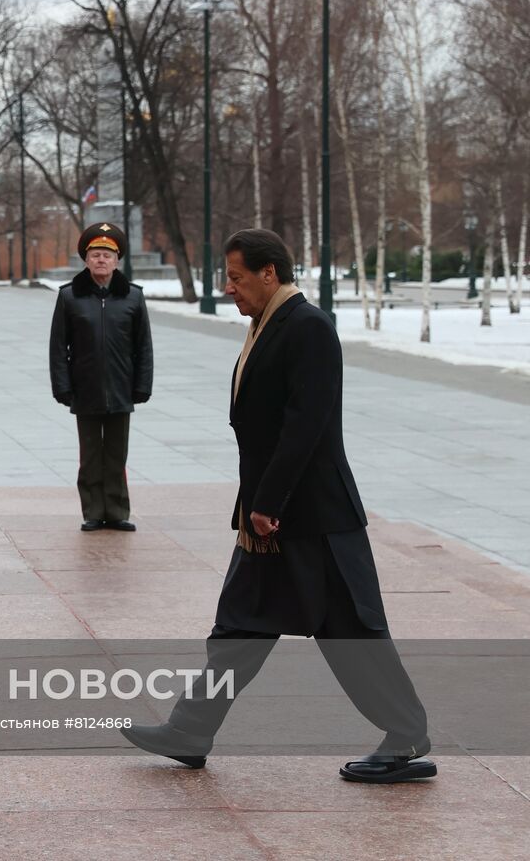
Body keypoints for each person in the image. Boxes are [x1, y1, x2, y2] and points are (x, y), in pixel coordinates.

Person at [121, 228, 434, 785]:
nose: (230, 289)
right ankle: (190, 729)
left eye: (237, 278)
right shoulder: (268, 325)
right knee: (239, 624)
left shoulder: (308, 327)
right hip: (268, 513)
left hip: (312, 515)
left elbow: (306, 425)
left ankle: (406, 734)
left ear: (270, 273)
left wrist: (268, 501)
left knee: (349, 630)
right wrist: (256, 504)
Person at [48, 222, 153, 532]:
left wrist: (142, 385)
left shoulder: (133, 297)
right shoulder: (69, 297)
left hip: (121, 388)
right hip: (86, 388)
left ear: (116, 259)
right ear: (86, 260)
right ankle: (94, 510)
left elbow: (143, 346)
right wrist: (62, 387)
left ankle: (117, 511)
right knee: (91, 455)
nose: (101, 260)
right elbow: (57, 347)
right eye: (95, 254)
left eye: (107, 255)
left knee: (117, 454)